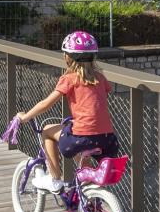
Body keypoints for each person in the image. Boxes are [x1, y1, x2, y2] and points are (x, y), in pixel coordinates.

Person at [15, 31, 119, 193]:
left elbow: (46, 104)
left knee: (48, 131)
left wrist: (24, 117)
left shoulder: (69, 79)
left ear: (67, 57)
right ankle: (87, 196)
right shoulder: (100, 77)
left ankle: (54, 178)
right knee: (81, 147)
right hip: (108, 140)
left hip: (81, 138)